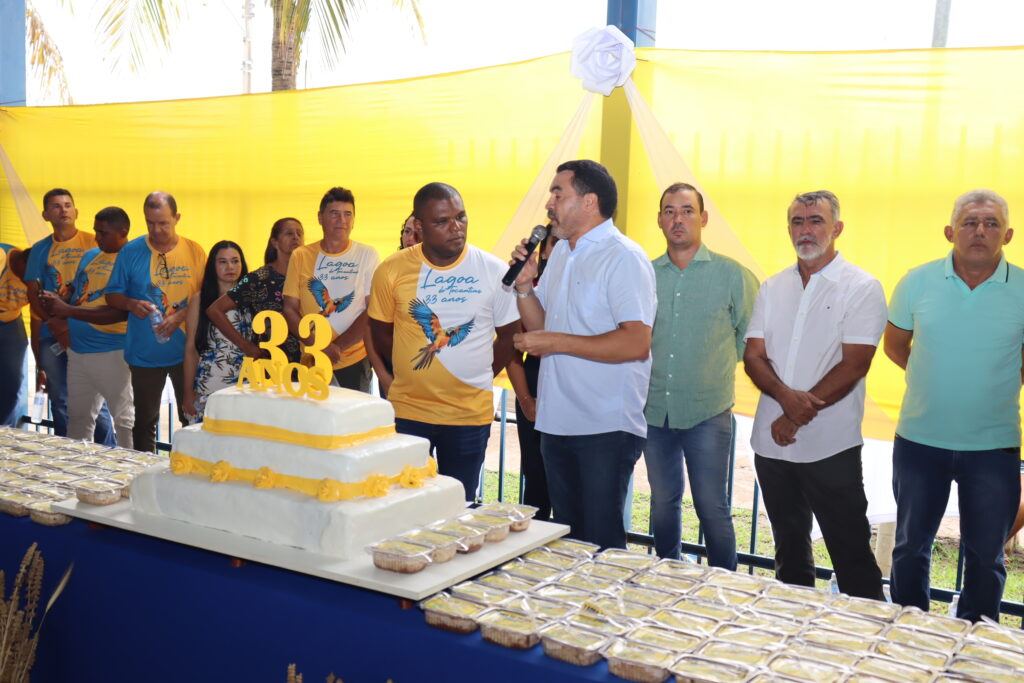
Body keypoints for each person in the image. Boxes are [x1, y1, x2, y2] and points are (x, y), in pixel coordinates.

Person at [885, 189, 1023, 622]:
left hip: (993, 446)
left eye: (991, 223)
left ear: (1008, 234)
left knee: (986, 556)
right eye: (969, 222)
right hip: (920, 440)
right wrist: (936, 380)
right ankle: (910, 634)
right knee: (910, 547)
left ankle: (974, 639)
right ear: (950, 232)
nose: (980, 231)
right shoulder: (916, 281)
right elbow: (895, 345)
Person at [743, 190, 885, 600]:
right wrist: (785, 400)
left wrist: (792, 413)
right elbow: (753, 356)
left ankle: (867, 634)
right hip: (773, 445)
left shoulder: (862, 287)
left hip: (830, 445)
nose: (805, 230)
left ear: (836, 228)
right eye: (798, 221)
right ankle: (795, 631)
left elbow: (854, 365)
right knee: (789, 554)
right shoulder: (772, 287)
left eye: (816, 221)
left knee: (851, 556)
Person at [510, 159, 656, 549]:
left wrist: (556, 342)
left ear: (589, 202)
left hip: (603, 426)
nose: (549, 203)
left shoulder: (623, 256)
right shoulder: (561, 253)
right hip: (556, 421)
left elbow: (636, 342)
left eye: (558, 194)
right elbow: (541, 327)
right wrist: (524, 287)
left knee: (601, 546)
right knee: (569, 544)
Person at [369, 182, 518, 501]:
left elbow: (510, 336)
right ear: (419, 227)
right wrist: (403, 374)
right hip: (408, 413)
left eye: (460, 217)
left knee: (457, 506)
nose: (456, 227)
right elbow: (380, 330)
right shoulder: (391, 270)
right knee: (403, 503)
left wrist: (478, 375)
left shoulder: (494, 271)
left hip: (468, 416)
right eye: (442, 221)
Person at [644, 183, 759, 567]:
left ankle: (722, 587)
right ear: (660, 219)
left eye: (687, 210)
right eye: (670, 211)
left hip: (707, 412)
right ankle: (668, 577)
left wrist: (712, 365)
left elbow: (752, 338)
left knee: (712, 507)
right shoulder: (645, 274)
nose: (678, 219)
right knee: (663, 503)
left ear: (703, 218)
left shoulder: (732, 275)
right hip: (653, 411)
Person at [106, 191, 206, 452]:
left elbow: (207, 296)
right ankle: (144, 470)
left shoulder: (194, 251)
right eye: (150, 223)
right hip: (144, 354)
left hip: (187, 352)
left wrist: (180, 316)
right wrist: (131, 304)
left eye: (163, 223)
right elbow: (112, 295)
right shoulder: (131, 251)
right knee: (144, 421)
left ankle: (190, 467)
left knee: (191, 417)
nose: (157, 230)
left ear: (177, 218)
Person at [24, 188, 115, 443]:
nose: (63, 210)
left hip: (88, 334)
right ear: (45, 215)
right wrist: (55, 324)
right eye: (56, 206)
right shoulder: (40, 249)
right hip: (51, 334)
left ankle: (108, 454)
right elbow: (33, 292)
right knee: (61, 400)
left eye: (67, 205)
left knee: (96, 402)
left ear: (76, 211)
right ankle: (68, 455)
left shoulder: (94, 243)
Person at [37, 207, 134, 447]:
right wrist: (58, 299)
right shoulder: (90, 255)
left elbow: (119, 313)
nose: (97, 238)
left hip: (112, 353)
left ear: (123, 232)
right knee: (78, 420)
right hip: (78, 351)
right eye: (95, 231)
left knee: (124, 421)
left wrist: (67, 310)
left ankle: (132, 468)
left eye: (104, 233)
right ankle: (79, 469)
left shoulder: (132, 260)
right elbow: (78, 294)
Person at [283, 187, 380, 392]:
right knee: (312, 412)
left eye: (348, 214)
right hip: (312, 359)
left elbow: (373, 310)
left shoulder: (367, 254)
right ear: (320, 217)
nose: (341, 220)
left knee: (353, 414)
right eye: (334, 213)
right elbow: (290, 309)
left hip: (354, 361)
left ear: (354, 220)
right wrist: (318, 346)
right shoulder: (300, 255)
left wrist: (337, 347)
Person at [506, 230, 558, 521]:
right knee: (536, 477)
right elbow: (511, 351)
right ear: (541, 253)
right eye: (553, 245)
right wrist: (526, 400)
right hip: (535, 379)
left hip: (571, 384)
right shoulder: (525, 291)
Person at [208, 218, 305, 364]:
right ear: (274, 242)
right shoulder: (258, 278)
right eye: (289, 233)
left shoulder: (309, 276)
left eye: (299, 234)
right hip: (270, 364)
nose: (296, 237)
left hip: (308, 361)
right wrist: (245, 345)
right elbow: (214, 310)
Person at [183, 241, 250, 423]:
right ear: (212, 266)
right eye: (222, 262)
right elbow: (191, 349)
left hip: (247, 385)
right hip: (210, 383)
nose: (230, 267)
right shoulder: (200, 299)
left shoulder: (252, 297)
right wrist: (187, 393)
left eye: (235, 261)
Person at [0, 245, 30, 426]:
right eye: (29, 273)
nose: (31, 280)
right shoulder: (2, 257)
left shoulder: (40, 277)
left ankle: (5, 432)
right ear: (21, 261)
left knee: (13, 384)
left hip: (11, 323)